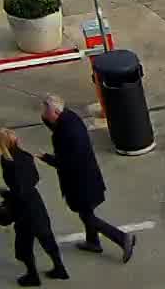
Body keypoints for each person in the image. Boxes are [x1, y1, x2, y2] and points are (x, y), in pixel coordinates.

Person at [39, 96, 135, 263]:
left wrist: (46, 158)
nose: (43, 115)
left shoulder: (67, 132)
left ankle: (122, 238)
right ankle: (93, 242)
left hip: (79, 182)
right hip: (86, 177)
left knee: (87, 216)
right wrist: (45, 117)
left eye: (45, 112)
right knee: (86, 212)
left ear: (55, 112)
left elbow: (67, 163)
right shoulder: (69, 119)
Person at [0, 127, 68, 285]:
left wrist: (7, 194)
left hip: (22, 209)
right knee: (47, 237)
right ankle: (60, 268)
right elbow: (34, 179)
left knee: (23, 245)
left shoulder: (7, 162)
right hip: (36, 203)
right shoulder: (26, 156)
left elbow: (17, 188)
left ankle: (32, 275)